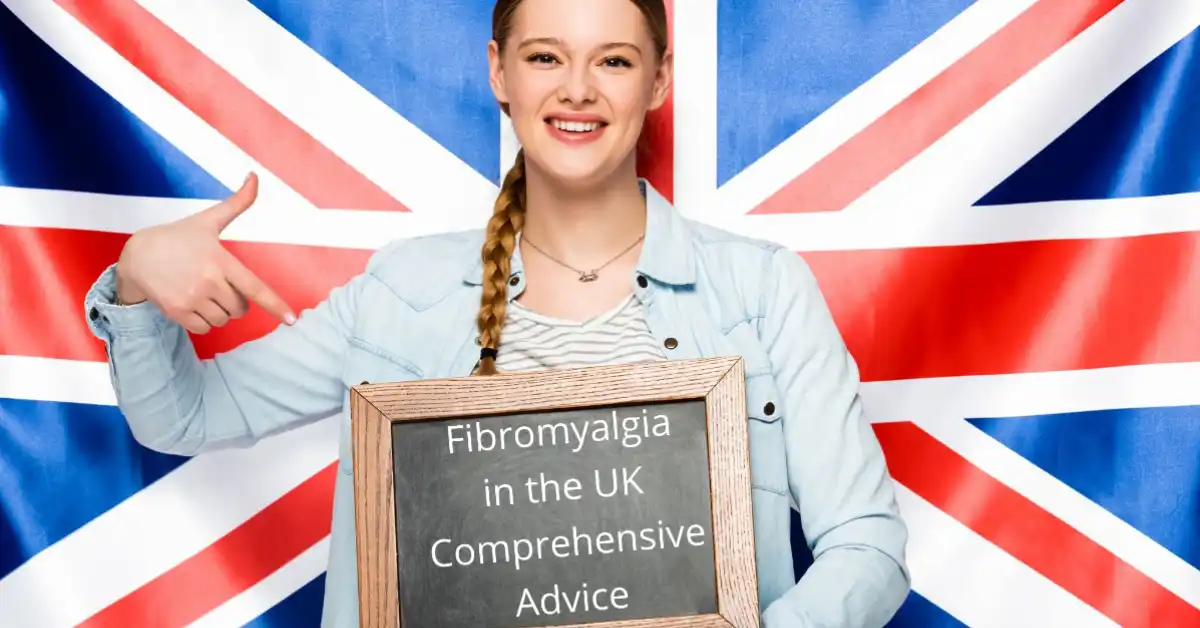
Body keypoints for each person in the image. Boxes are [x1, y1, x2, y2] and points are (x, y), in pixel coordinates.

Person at [84, 0, 910, 625]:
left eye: (614, 61)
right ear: (498, 71)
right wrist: (135, 279)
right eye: (546, 55)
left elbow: (867, 544)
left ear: (660, 79)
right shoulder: (401, 296)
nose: (577, 89)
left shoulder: (762, 295)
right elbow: (181, 416)